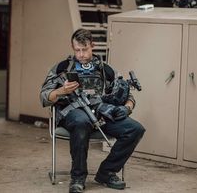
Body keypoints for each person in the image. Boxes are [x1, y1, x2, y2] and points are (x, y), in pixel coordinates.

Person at [40, 28, 145, 193]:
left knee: (135, 129)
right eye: (77, 50)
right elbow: (44, 96)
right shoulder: (62, 68)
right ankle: (78, 178)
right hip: (73, 115)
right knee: (82, 122)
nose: (81, 54)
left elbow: (128, 95)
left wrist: (127, 108)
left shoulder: (106, 70)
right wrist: (62, 91)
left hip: (102, 114)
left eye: (85, 50)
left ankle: (107, 172)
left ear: (92, 46)